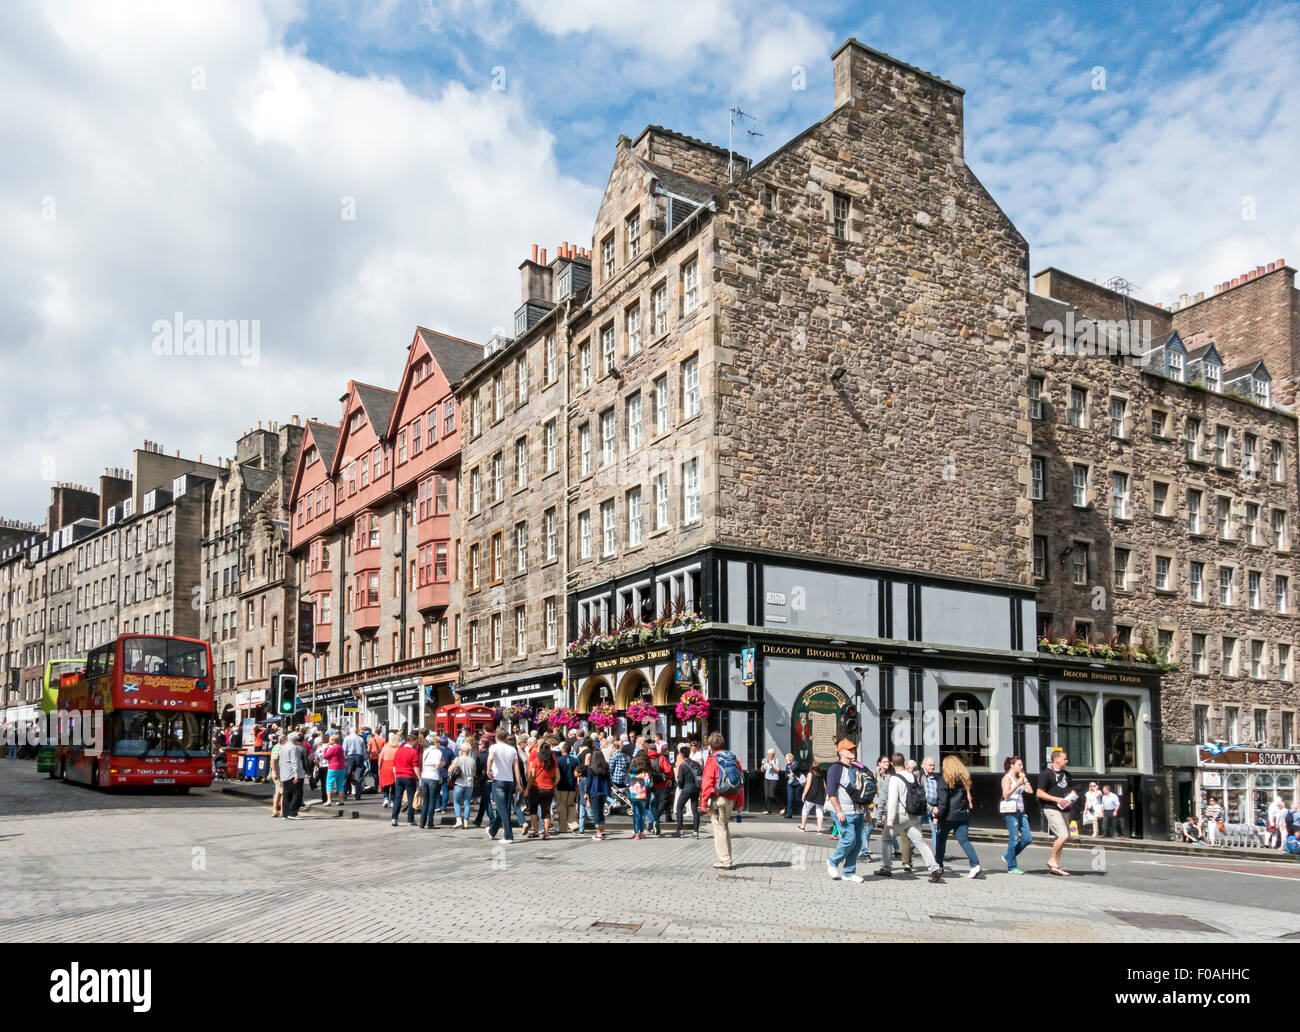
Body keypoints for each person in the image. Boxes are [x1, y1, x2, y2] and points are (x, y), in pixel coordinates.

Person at [878, 752, 941, 882]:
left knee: (886, 838)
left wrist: (889, 820)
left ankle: (886, 868)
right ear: (905, 763)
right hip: (914, 815)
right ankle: (935, 868)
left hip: (900, 815)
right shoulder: (912, 776)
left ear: (891, 764)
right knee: (920, 843)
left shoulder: (894, 778)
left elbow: (893, 801)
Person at [700, 731, 745, 869]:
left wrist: (703, 803)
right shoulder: (733, 758)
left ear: (710, 747)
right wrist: (740, 802)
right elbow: (741, 780)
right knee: (724, 827)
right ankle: (727, 858)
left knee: (719, 829)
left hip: (718, 798)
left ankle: (725, 860)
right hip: (732, 797)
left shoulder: (712, 759)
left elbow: (706, 782)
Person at [825, 740, 868, 883]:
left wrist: (866, 810)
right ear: (841, 752)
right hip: (843, 810)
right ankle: (832, 861)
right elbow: (831, 793)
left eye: (854, 750)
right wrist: (838, 811)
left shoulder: (857, 768)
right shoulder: (835, 768)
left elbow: (863, 791)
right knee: (849, 839)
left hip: (858, 811)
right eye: (849, 750)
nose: (853, 752)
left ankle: (849, 872)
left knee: (857, 843)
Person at [933, 755, 983, 878]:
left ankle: (939, 865)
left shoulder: (944, 779)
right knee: (964, 840)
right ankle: (975, 864)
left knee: (941, 840)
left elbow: (942, 801)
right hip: (962, 815)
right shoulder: (964, 779)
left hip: (948, 815)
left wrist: (937, 815)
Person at [1035, 748, 1075, 875]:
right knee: (1064, 835)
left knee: (1061, 838)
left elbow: (1071, 790)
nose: (1067, 760)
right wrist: (1056, 799)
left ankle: (1055, 866)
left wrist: (1072, 797)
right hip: (1051, 808)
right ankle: (1052, 860)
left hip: (1065, 809)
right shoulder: (1046, 774)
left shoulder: (1067, 775)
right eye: (1065, 758)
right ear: (1056, 759)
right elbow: (1039, 793)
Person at [486, 728, 522, 843]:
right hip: (510, 781)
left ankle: (508, 835)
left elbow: (491, 758)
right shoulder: (512, 750)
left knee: (502, 809)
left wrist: (488, 771)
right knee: (505, 808)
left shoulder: (494, 747)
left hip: (499, 780)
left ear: (496, 737)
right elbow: (516, 767)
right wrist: (518, 782)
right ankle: (493, 830)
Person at [1000, 756, 1032, 874]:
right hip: (1010, 811)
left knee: (1027, 838)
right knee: (1014, 838)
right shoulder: (1007, 778)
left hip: (1020, 811)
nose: (1022, 767)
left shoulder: (1020, 778)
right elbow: (1006, 794)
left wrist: (1025, 779)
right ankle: (1012, 867)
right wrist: (1017, 785)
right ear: (1012, 765)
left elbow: (1030, 791)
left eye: (1022, 765)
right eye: (1019, 765)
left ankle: (1009, 856)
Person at [525, 740, 559, 839]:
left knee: (533, 810)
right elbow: (558, 776)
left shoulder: (536, 761)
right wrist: (553, 784)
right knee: (546, 811)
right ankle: (546, 833)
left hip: (536, 788)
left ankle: (536, 831)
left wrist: (527, 788)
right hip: (548, 789)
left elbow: (532, 776)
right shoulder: (553, 762)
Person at [672, 744, 702, 838]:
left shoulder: (682, 766)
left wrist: (680, 787)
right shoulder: (696, 763)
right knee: (695, 810)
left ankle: (680, 831)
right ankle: (695, 832)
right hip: (696, 789)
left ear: (681, 755)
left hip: (686, 789)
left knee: (679, 808)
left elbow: (680, 780)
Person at [583, 745, 611, 840]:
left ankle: (598, 833)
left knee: (596, 812)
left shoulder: (591, 768)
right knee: (601, 811)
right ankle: (602, 831)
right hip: (604, 791)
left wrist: (586, 792)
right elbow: (609, 780)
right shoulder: (606, 766)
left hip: (595, 792)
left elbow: (589, 782)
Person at [554, 740, 580, 834]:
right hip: (572, 786)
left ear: (563, 750)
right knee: (571, 806)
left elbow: (556, 774)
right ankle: (574, 827)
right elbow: (577, 774)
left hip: (561, 786)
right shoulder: (575, 760)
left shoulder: (558, 760)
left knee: (562, 808)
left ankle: (563, 827)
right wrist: (577, 787)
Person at [449, 741, 477, 828]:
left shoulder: (458, 759)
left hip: (459, 783)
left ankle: (458, 820)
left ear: (462, 750)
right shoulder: (472, 760)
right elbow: (474, 774)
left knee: (456, 802)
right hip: (469, 784)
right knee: (467, 802)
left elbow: (449, 770)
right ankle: (466, 821)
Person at [279, 732, 305, 820]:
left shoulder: (283, 747)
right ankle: (293, 813)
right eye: (296, 740)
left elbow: (281, 762)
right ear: (294, 740)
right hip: (292, 773)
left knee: (287, 794)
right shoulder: (293, 747)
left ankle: (285, 813)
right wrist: (296, 774)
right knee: (297, 793)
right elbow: (294, 761)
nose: (297, 742)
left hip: (284, 773)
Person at [419, 734, 442, 830]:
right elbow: (437, 766)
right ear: (436, 743)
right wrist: (443, 763)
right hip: (433, 777)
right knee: (432, 801)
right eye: (439, 743)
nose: (440, 745)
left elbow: (423, 766)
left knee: (425, 801)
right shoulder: (438, 752)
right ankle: (430, 823)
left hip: (425, 777)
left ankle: (422, 823)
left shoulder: (426, 751)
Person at [628, 754, 654, 839]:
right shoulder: (644, 773)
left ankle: (636, 834)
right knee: (642, 814)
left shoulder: (631, 773)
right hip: (642, 795)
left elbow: (627, 783)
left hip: (634, 796)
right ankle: (642, 833)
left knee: (636, 815)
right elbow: (647, 784)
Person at [799, 762, 826, 833]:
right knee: (819, 812)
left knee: (805, 810)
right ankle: (819, 829)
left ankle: (802, 827)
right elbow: (825, 787)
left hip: (812, 794)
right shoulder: (821, 775)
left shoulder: (810, 774)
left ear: (811, 767)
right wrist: (826, 796)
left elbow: (808, 785)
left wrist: (804, 794)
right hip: (820, 795)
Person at [342, 725, 367, 801]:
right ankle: (358, 795)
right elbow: (364, 750)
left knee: (347, 775)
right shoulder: (361, 739)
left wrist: (343, 758)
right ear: (356, 732)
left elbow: (344, 749)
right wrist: (365, 758)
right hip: (359, 757)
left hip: (350, 757)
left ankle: (345, 794)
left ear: (350, 732)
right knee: (358, 777)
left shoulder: (347, 738)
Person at [473, 736, 492, 827]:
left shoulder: (481, 756)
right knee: (484, 800)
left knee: (486, 801)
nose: (478, 746)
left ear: (482, 746)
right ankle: (478, 819)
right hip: (492, 779)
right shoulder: (491, 754)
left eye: (479, 744)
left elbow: (478, 769)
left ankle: (492, 819)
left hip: (484, 780)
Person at [323, 733, 346, 806]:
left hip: (333, 767)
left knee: (329, 784)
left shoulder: (333, 748)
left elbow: (325, 756)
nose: (329, 740)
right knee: (340, 784)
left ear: (333, 740)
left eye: (330, 739)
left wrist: (325, 749)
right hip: (342, 767)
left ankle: (329, 800)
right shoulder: (340, 747)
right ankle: (341, 800)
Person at [378, 732, 399, 810]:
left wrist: (379, 769)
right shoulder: (398, 748)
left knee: (386, 784)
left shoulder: (385, 747)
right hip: (395, 766)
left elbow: (380, 759)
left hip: (385, 766)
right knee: (394, 785)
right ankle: (392, 801)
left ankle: (386, 799)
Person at [761, 748, 781, 815]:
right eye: (768, 754)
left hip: (774, 779)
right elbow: (762, 770)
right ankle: (767, 810)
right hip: (767, 779)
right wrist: (763, 765)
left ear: (773, 755)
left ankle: (782, 806)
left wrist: (772, 765)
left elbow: (778, 770)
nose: (769, 756)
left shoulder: (776, 760)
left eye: (770, 754)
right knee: (766, 795)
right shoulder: (765, 760)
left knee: (771, 795)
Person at [269, 732, 284, 818]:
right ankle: (281, 811)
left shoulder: (279, 747)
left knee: (278, 792)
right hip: (278, 773)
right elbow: (273, 761)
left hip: (280, 772)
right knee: (282, 792)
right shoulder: (278, 748)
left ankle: (275, 810)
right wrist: (274, 772)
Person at [783, 753, 801, 819]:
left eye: (787, 758)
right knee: (789, 798)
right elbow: (786, 774)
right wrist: (788, 775)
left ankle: (804, 810)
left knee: (797, 798)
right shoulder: (787, 765)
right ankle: (789, 813)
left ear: (791, 757)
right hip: (790, 783)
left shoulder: (796, 763)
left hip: (797, 783)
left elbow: (794, 769)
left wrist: (789, 764)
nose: (786, 759)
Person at [366, 728, 384, 792]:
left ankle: (376, 785)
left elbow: (368, 750)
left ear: (374, 732)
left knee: (374, 772)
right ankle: (381, 785)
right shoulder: (383, 740)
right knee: (380, 771)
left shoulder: (371, 740)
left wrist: (368, 758)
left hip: (374, 757)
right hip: (381, 758)